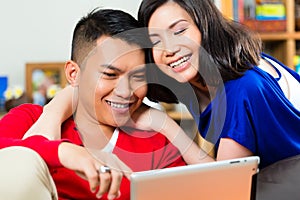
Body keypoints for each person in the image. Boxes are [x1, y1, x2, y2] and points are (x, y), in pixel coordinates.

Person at [31, 0, 300, 171]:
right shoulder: (202, 78)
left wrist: (165, 125)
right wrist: (55, 110)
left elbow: (227, 185)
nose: (170, 49)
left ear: (205, 27)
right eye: (156, 41)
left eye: (180, 31)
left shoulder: (240, 88)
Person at [0, 8, 189, 200]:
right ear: (74, 74)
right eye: (110, 74)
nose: (125, 92)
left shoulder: (155, 141)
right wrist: (64, 152)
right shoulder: (33, 119)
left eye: (138, 77)